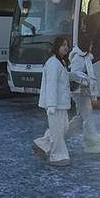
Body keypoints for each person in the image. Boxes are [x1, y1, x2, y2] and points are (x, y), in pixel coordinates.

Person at [33, 37, 72, 166]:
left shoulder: (61, 62)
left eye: (67, 45)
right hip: (55, 104)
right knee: (57, 131)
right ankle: (58, 156)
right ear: (57, 46)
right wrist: (51, 105)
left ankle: (42, 144)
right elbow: (51, 85)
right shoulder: (53, 63)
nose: (66, 47)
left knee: (63, 128)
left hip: (62, 103)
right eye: (63, 45)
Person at [68, 37, 100, 155]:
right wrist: (86, 80)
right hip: (80, 91)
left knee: (81, 118)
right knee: (88, 117)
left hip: (84, 90)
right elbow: (74, 76)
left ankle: (59, 135)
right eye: (91, 44)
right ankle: (92, 144)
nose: (92, 47)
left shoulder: (86, 57)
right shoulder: (78, 58)